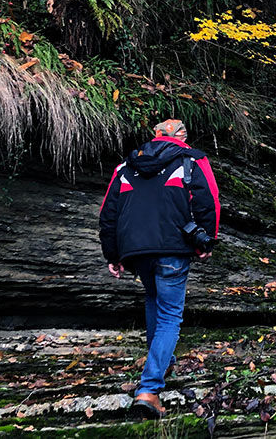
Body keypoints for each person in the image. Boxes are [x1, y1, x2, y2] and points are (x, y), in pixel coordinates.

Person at [98, 119, 221, 420]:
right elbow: (209, 202)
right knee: (169, 316)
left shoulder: (126, 167)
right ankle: (149, 391)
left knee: (154, 301)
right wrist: (207, 241)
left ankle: (161, 362)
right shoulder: (193, 159)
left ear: (154, 137)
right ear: (183, 137)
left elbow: (108, 214)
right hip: (173, 248)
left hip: (136, 252)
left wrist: (113, 255)